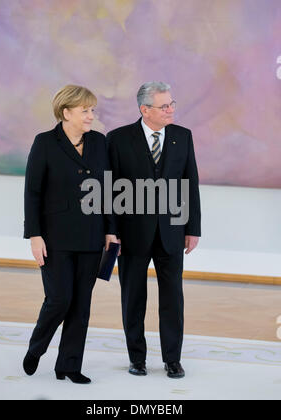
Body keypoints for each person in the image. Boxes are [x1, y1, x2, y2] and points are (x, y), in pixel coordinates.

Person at [23, 84, 119, 384]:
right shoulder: (45, 143)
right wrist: (34, 236)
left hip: (91, 237)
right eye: (85, 110)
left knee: (81, 304)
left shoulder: (99, 143)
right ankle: (36, 348)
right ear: (66, 112)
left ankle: (69, 365)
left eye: (92, 110)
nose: (91, 116)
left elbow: (108, 190)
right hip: (55, 238)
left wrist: (110, 231)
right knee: (59, 299)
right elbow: (33, 192)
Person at [107, 82, 201, 378]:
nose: (171, 109)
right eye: (164, 106)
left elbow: (190, 185)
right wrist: (111, 231)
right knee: (132, 297)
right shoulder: (118, 139)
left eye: (172, 103)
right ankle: (137, 358)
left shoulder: (183, 137)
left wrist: (193, 228)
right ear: (144, 109)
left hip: (172, 232)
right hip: (131, 234)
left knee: (173, 297)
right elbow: (109, 190)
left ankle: (173, 359)